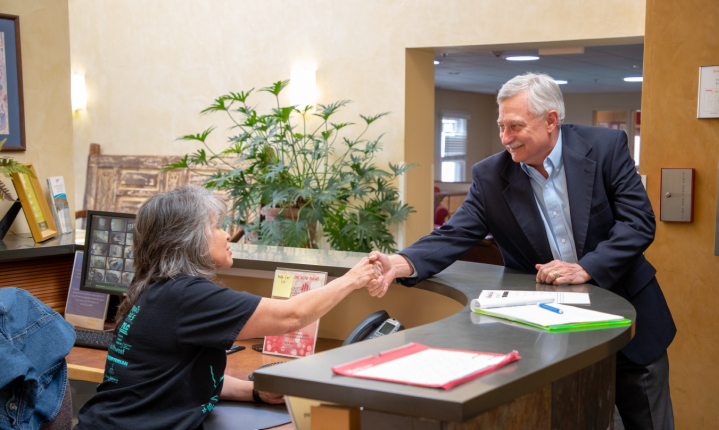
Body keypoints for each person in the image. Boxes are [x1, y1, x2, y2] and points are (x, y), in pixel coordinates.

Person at [367, 73, 676, 430]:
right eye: (501, 126)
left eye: (515, 126)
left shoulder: (606, 148)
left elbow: (638, 223)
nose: (505, 138)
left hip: (632, 326)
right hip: (550, 337)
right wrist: (401, 262)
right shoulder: (491, 175)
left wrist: (586, 268)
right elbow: (454, 233)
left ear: (550, 120)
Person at [75, 185, 383, 430]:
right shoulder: (186, 295)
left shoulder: (155, 288)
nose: (226, 234)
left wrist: (254, 392)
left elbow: (179, 382)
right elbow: (292, 315)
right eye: (216, 226)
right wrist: (354, 278)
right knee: (327, 423)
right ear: (189, 239)